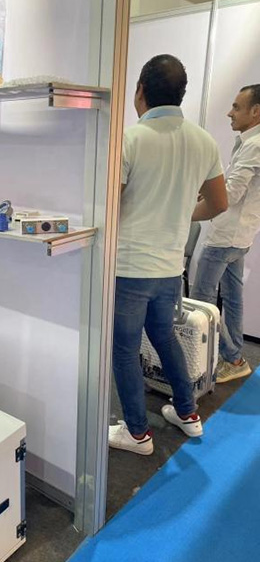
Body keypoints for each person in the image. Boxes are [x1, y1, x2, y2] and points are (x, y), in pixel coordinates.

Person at [109, 54, 228, 456]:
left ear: (140, 90)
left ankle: (137, 434)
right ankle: (188, 413)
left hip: (129, 267)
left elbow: (111, 206)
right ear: (182, 93)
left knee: (124, 350)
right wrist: (179, 213)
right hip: (169, 267)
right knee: (163, 336)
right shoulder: (204, 140)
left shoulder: (129, 139)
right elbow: (218, 203)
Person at [190, 84, 260, 384]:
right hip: (239, 236)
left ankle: (226, 357)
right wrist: (204, 193)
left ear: (255, 111)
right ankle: (235, 357)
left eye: (236, 107)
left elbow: (229, 195)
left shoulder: (254, 145)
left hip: (225, 237)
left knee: (200, 301)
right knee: (232, 298)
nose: (230, 113)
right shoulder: (248, 142)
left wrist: (187, 212)